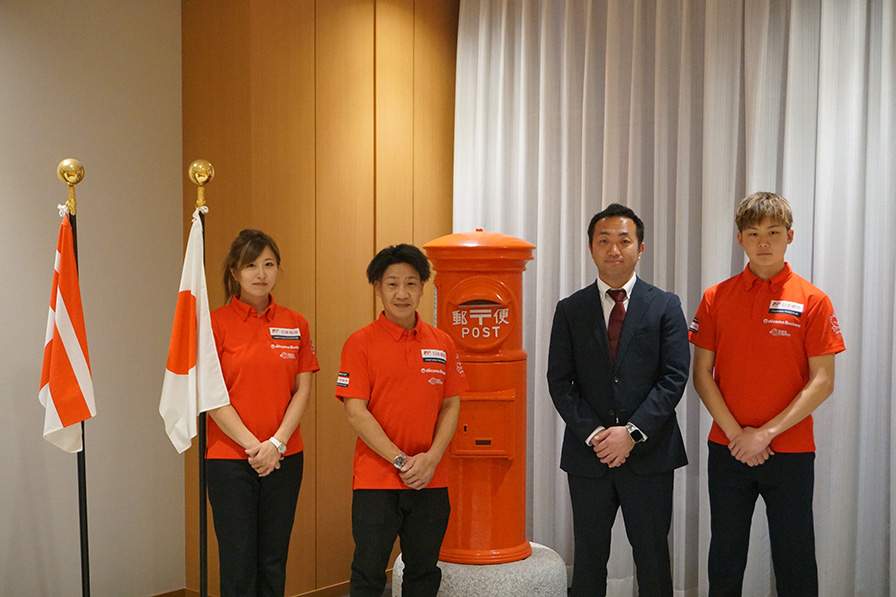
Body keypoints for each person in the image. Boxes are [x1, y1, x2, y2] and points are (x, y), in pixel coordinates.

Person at [689, 192, 845, 597]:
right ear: (740, 238)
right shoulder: (715, 297)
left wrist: (765, 434)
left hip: (791, 451)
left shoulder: (813, 300)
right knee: (725, 557)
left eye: (773, 232)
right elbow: (702, 374)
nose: (763, 242)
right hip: (728, 449)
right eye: (754, 233)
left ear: (790, 236)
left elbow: (823, 380)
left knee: (795, 557)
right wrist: (738, 435)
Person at [547, 203, 690, 597]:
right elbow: (560, 381)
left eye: (624, 241)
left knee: (653, 559)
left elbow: (674, 377)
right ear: (591, 247)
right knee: (589, 558)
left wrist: (631, 433)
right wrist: (597, 434)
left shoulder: (665, 305)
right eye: (604, 241)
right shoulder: (570, 309)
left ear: (640, 248)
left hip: (650, 454)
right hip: (589, 456)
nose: (614, 249)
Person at [335, 244, 466, 597]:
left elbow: (451, 405)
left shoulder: (442, 343)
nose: (402, 293)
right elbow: (356, 411)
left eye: (411, 283)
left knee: (424, 573)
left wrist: (431, 459)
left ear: (422, 287)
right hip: (376, 481)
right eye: (392, 284)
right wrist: (400, 460)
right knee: (368, 573)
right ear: (378, 288)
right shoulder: (359, 343)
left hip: (430, 480)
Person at [205, 229, 319, 597]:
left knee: (273, 559)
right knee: (238, 561)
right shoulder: (214, 323)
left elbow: (303, 390)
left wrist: (276, 444)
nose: (260, 273)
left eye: (268, 264)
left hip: (285, 457)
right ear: (234, 272)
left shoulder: (296, 323)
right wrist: (255, 447)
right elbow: (212, 396)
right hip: (229, 459)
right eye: (251, 265)